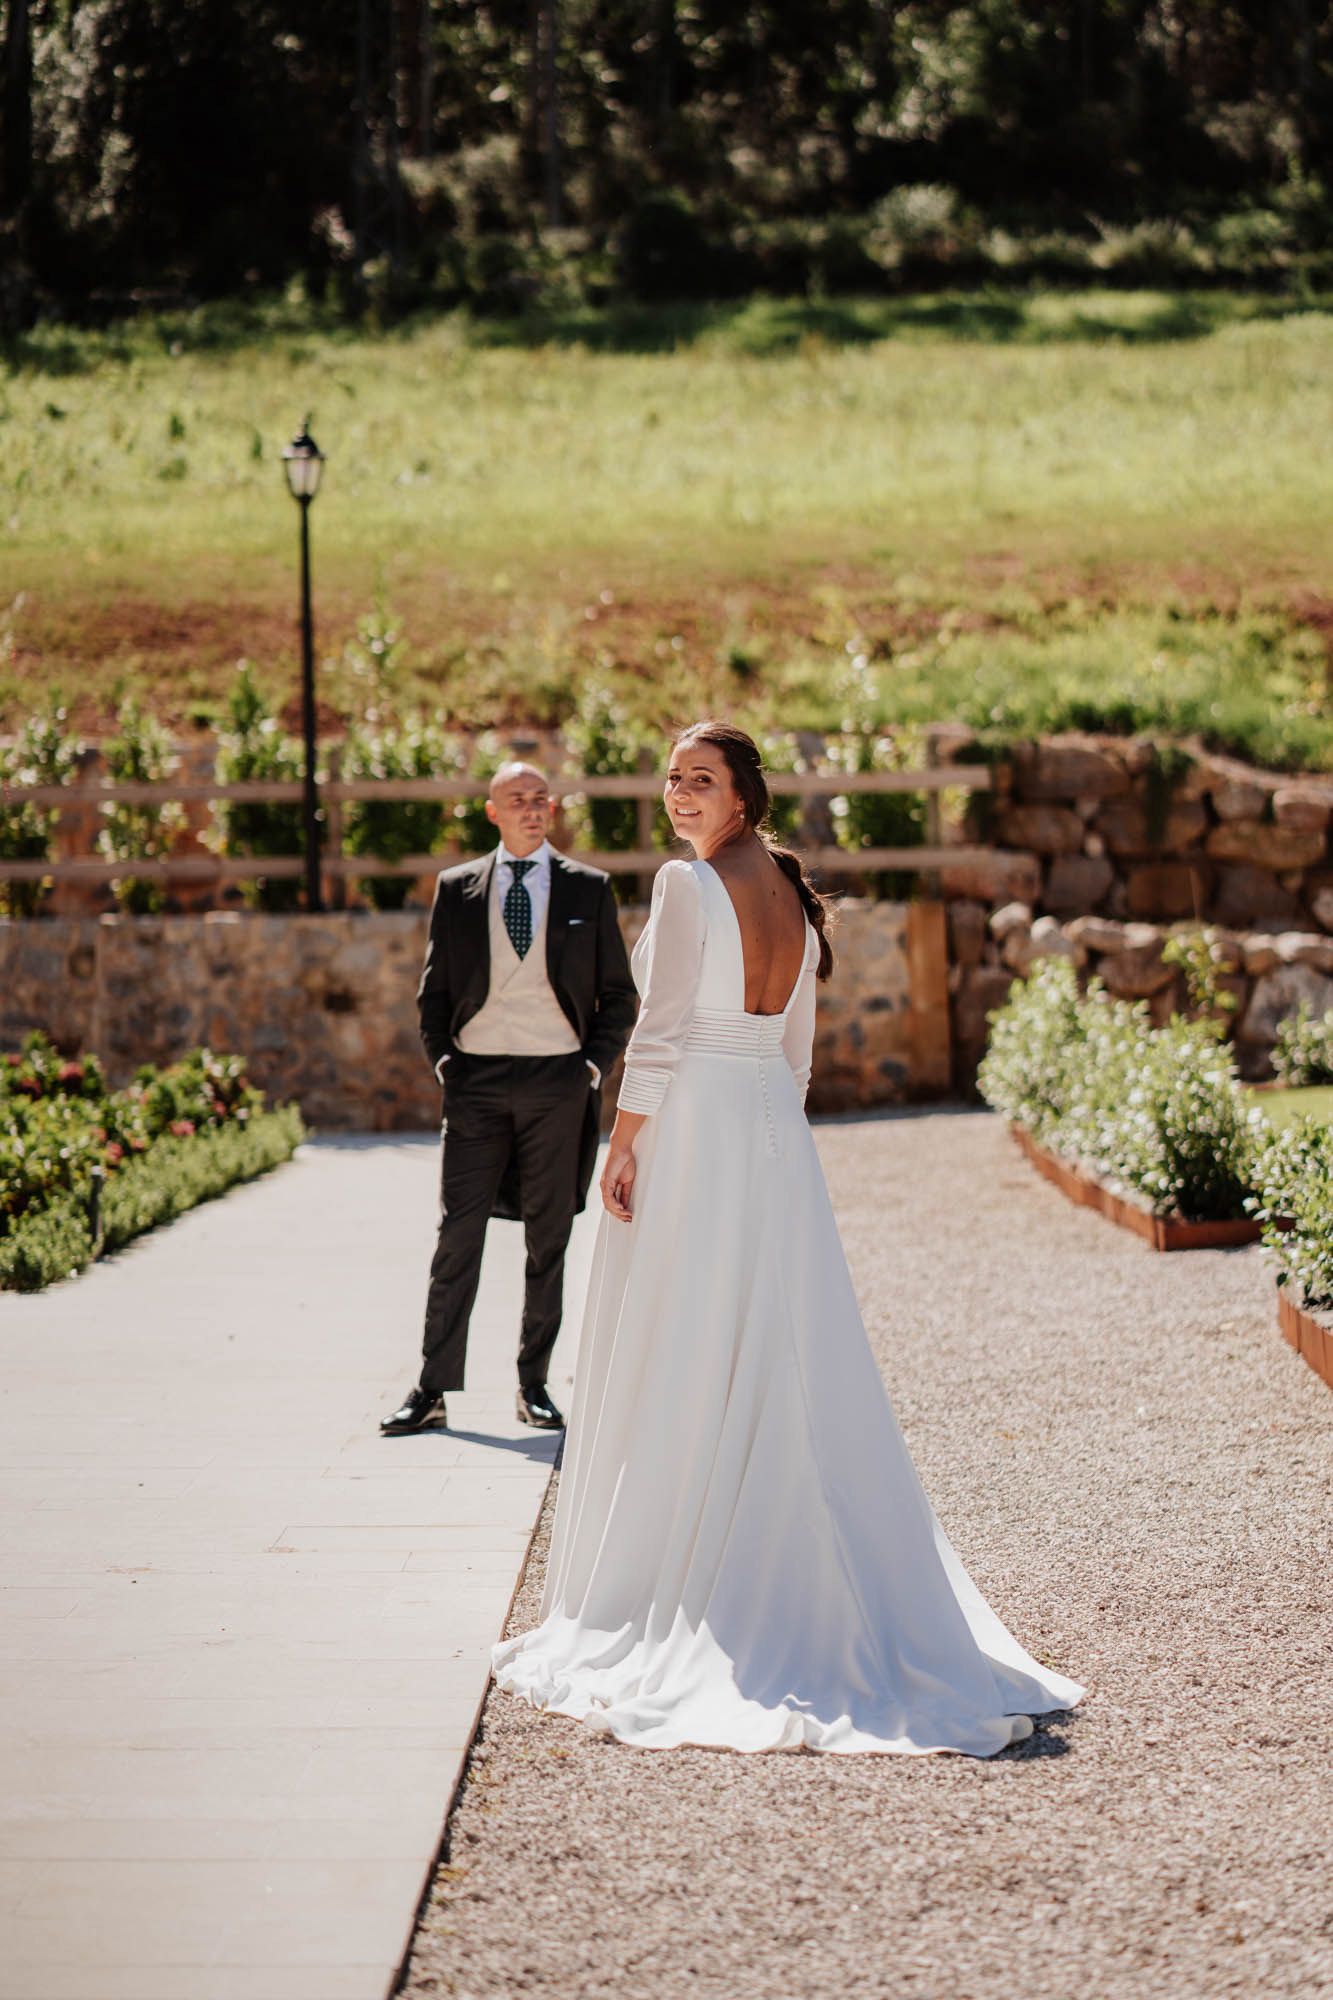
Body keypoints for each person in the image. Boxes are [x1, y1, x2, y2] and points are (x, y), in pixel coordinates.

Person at [491, 722, 1084, 1754]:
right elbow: (798, 1052)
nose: (679, 795)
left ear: (745, 794)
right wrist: (772, 1133)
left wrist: (625, 1141)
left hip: (702, 1129)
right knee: (783, 1342)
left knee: (691, 1337)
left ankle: (703, 1574)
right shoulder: (796, 900)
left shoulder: (688, 887)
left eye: (701, 780)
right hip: (771, 1130)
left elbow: (665, 1026)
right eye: (670, 778)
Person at [381, 762, 636, 1436]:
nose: (531, 808)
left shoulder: (589, 888)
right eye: (516, 799)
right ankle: (432, 1388)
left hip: (558, 1081)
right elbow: (433, 991)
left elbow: (620, 995)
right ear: (490, 811)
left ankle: (534, 1385)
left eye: (540, 799)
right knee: (457, 1234)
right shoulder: (457, 889)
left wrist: (588, 1070)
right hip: (477, 1083)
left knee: (548, 1237)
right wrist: (445, 1063)